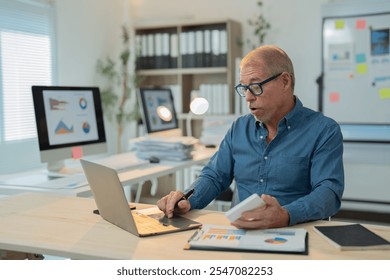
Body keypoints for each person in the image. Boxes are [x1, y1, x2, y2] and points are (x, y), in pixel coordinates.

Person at [157, 45, 344, 229]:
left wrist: (287, 215)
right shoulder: (239, 127)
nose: (247, 97)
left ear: (285, 81)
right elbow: (214, 176)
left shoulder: (324, 130)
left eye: (255, 86)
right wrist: (188, 200)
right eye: (244, 88)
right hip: (240, 234)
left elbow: (329, 192)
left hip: (295, 233)